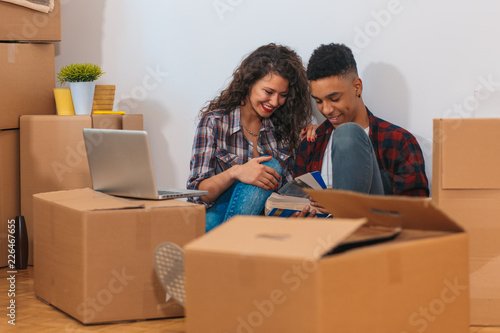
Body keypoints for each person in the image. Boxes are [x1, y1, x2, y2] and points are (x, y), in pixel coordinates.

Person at [187, 43, 312, 232]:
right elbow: (198, 193)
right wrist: (235, 172)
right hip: (217, 215)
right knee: (268, 167)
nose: (275, 102)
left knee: (270, 168)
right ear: (249, 82)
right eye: (268, 92)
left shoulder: (284, 130)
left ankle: (225, 249)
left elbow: (286, 193)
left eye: (283, 95)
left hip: (263, 223)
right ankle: (232, 246)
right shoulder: (214, 122)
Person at [294, 43, 429, 215]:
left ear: (357, 87)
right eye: (319, 101)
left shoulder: (399, 143)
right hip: (319, 238)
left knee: (348, 134)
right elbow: (295, 204)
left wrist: (344, 206)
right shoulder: (311, 144)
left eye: (334, 98)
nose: (326, 110)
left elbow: (415, 216)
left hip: (372, 235)